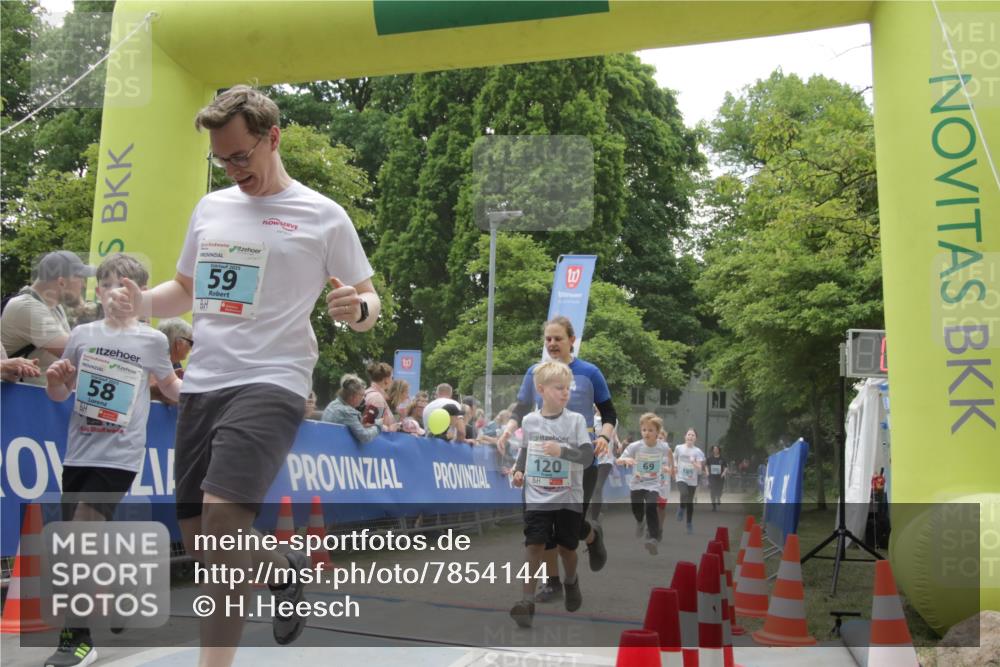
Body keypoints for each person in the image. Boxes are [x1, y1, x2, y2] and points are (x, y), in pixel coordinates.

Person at [103, 85, 380, 663]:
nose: (232, 169)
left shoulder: (323, 216)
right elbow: (184, 289)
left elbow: (369, 302)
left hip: (274, 379)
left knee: (225, 518)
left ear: (273, 138)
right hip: (204, 380)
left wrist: (356, 310)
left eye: (241, 156)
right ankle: (282, 572)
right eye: (221, 160)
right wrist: (138, 304)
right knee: (202, 540)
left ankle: (239, 629)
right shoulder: (212, 209)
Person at [44, 253, 182, 667]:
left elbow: (171, 387)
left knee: (80, 536)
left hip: (120, 454)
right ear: (97, 291)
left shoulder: (151, 340)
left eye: (125, 287)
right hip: (79, 451)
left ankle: (77, 639)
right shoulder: (82, 335)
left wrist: (202, 388)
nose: (114, 293)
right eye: (106, 285)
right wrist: (56, 382)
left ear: (140, 294)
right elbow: (61, 394)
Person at [498, 316, 616, 603]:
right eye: (548, 339)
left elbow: (609, 413)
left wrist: (603, 437)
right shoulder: (535, 372)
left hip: (579, 461)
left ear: (571, 340)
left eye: (558, 338)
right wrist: (509, 430)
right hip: (541, 460)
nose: (552, 343)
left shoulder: (589, 373)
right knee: (542, 528)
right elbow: (522, 408)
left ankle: (591, 536)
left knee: (570, 530)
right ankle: (553, 582)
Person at [509, 361, 593, 628]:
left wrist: (563, 452)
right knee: (534, 545)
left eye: (568, 388)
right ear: (541, 390)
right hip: (537, 496)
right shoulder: (530, 421)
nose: (565, 392)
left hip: (568, 496)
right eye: (559, 388)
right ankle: (526, 602)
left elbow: (588, 457)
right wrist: (519, 471)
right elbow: (526, 450)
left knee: (567, 548)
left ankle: (571, 581)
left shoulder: (576, 421)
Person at [1, 250, 95, 384]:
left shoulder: (54, 306)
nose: (84, 285)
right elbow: (78, 355)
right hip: (21, 399)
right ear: (62, 282)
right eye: (81, 278)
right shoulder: (27, 307)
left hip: (41, 398)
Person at [616, 413, 672, 555]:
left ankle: (653, 538)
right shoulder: (635, 446)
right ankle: (640, 522)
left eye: (651, 430)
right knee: (637, 509)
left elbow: (670, 460)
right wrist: (625, 461)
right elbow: (618, 460)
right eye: (644, 430)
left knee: (652, 506)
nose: (647, 433)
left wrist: (669, 469)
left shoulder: (663, 447)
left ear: (657, 432)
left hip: (654, 484)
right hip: (637, 484)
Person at [322, 374, 380, 444]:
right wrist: (378, 426)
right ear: (353, 396)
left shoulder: (333, 404)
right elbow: (365, 436)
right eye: (362, 395)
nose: (363, 398)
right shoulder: (348, 412)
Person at [149, 318, 193, 404]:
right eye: (191, 343)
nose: (191, 348)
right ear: (179, 343)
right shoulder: (150, 363)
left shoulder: (176, 365)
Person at [674, 427, 706, 534]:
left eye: (693, 435)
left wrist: (694, 462)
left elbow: (700, 468)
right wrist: (674, 466)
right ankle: (681, 509)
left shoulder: (698, 452)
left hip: (692, 479)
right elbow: (674, 458)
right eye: (689, 434)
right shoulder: (679, 448)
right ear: (685, 436)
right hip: (681, 477)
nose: (690, 437)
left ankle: (689, 523)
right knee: (684, 493)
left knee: (690, 502)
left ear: (695, 438)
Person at [362, 361, 398, 430]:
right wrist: (390, 429)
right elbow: (371, 425)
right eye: (392, 378)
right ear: (386, 379)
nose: (392, 381)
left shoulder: (367, 392)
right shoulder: (377, 397)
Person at [707, 445, 727, 510]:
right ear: (713, 450)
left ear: (719, 450)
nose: (715, 450)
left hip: (720, 477)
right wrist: (707, 472)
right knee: (712, 491)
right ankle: (714, 506)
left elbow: (726, 467)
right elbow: (706, 465)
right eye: (714, 449)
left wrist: (723, 473)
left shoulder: (722, 459)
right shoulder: (710, 458)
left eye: (716, 449)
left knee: (719, 490)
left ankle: (718, 497)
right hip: (712, 477)